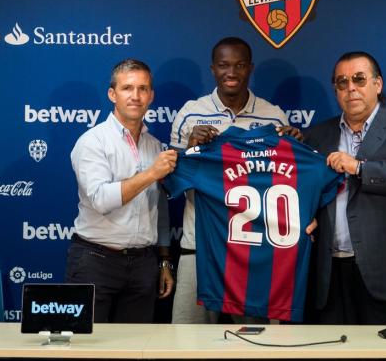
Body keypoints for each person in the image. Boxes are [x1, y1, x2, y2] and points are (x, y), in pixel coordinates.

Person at [170, 36, 302, 324]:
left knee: (256, 347)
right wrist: (191, 148)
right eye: (224, 65)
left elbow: (285, 183)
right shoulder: (190, 114)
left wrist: (295, 149)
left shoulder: (273, 116)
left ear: (250, 68)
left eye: (239, 65)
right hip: (200, 246)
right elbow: (170, 179)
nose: (231, 72)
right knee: (186, 343)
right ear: (213, 69)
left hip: (254, 250)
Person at [303, 51, 386, 325]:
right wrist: (306, 217)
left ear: (377, 84)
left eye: (359, 79)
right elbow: (306, 191)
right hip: (329, 273)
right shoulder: (316, 135)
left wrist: (359, 167)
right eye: (342, 82)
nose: (350, 88)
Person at [66, 59, 177, 323]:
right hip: (96, 260)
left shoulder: (154, 146)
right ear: (112, 94)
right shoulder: (92, 141)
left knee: (134, 350)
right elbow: (102, 200)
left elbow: (158, 208)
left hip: (143, 264)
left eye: (143, 89)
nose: (135, 96)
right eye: (127, 88)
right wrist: (151, 173)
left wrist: (163, 261)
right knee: (87, 351)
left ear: (151, 96)